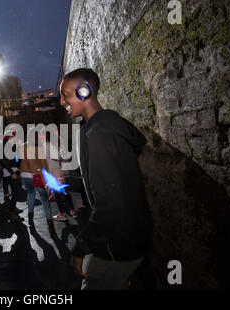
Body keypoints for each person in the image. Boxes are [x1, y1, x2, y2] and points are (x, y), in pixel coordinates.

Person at [60, 68, 153, 290]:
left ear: (84, 92)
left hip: (116, 245)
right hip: (130, 237)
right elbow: (109, 180)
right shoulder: (101, 127)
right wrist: (68, 181)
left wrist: (81, 247)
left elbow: (109, 204)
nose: (62, 101)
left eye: (65, 94)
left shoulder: (99, 133)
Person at [20, 130, 55, 235]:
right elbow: (44, 164)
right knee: (44, 199)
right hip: (37, 176)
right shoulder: (38, 148)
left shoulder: (22, 146)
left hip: (25, 175)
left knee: (30, 195)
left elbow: (19, 161)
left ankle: (30, 220)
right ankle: (50, 226)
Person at [42, 130, 78, 222]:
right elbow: (65, 157)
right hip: (60, 171)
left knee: (57, 195)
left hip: (52, 172)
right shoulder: (56, 145)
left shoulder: (45, 146)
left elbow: (44, 162)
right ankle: (72, 211)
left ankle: (62, 214)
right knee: (64, 192)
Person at [0, 132, 24, 222]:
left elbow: (17, 158)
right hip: (9, 171)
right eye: (13, 136)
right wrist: (12, 172)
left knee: (15, 191)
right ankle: (12, 212)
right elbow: (3, 160)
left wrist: (18, 167)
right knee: (16, 190)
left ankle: (13, 208)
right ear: (9, 137)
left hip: (13, 170)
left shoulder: (13, 145)